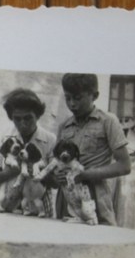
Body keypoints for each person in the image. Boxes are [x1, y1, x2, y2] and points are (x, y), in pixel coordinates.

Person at [52, 73, 131, 225]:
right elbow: (55, 163)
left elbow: (124, 165)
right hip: (67, 199)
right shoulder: (64, 126)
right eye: (68, 98)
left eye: (77, 98)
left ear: (94, 95)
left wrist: (84, 175)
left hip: (96, 198)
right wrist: (56, 177)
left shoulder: (108, 121)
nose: (72, 104)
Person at [0, 88, 56, 214]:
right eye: (17, 119)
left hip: (38, 204)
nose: (23, 124)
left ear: (38, 115)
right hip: (8, 201)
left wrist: (38, 172)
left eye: (28, 118)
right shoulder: (3, 136)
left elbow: (56, 182)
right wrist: (14, 171)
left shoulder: (50, 139)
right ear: (10, 117)